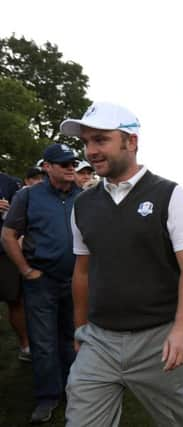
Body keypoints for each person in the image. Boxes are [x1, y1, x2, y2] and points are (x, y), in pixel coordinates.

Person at [60, 101, 183, 426]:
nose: (90, 150)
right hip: (99, 340)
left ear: (131, 141)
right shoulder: (82, 204)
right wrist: (80, 328)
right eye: (86, 142)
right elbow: (81, 271)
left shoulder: (169, 194)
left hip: (158, 341)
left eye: (100, 140)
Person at [1, 144, 81, 424]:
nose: (71, 168)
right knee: (44, 342)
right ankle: (48, 396)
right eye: (64, 164)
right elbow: (9, 235)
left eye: (73, 163)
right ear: (47, 167)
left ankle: (74, 390)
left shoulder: (81, 197)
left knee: (72, 338)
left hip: (74, 282)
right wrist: (25, 270)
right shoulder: (28, 196)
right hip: (41, 281)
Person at [0, 171, 31, 363]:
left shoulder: (8, 181)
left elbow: (19, 217)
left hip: (3, 252)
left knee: (15, 300)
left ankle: (25, 346)